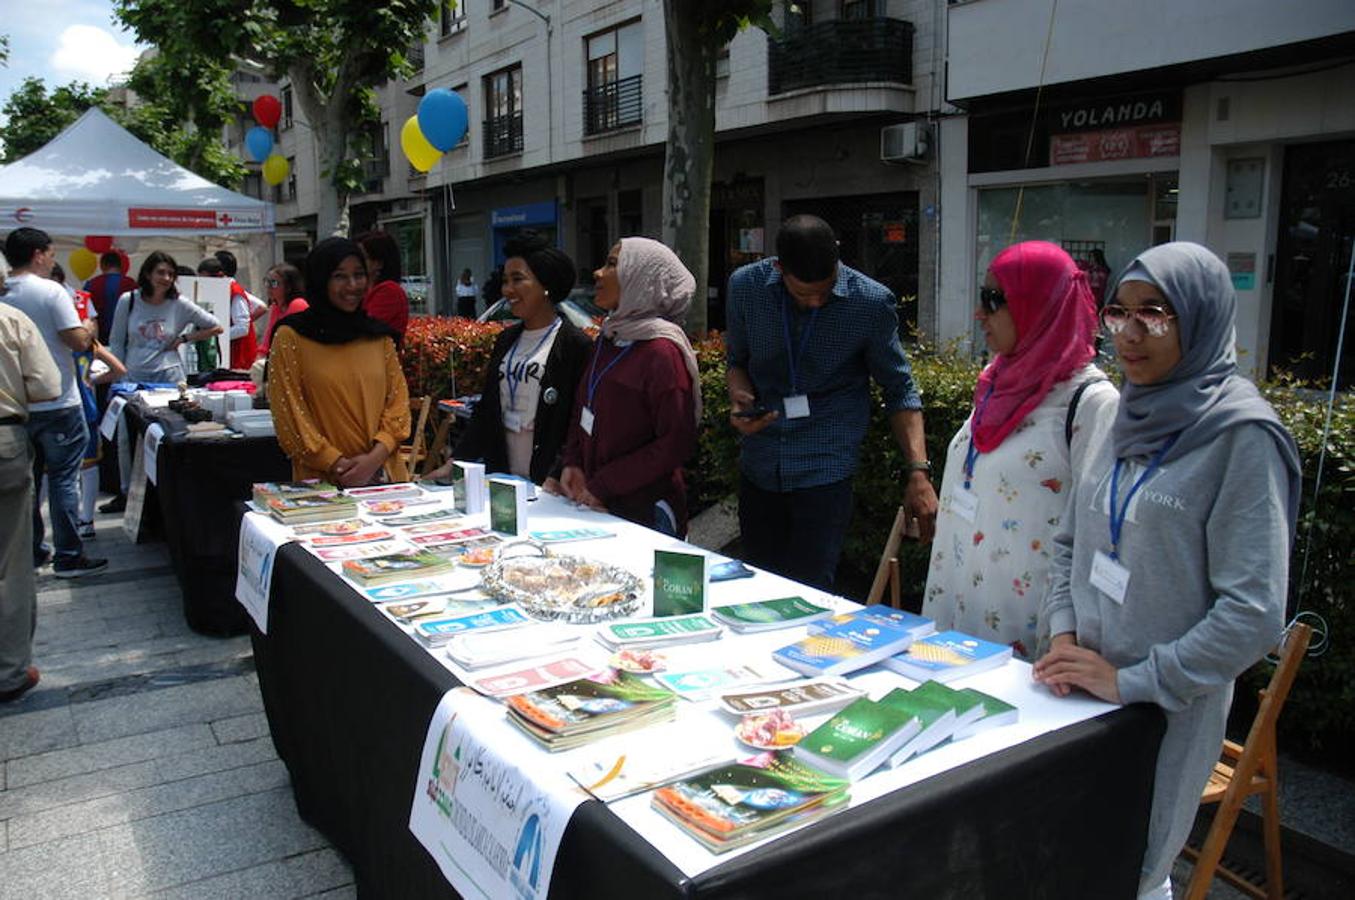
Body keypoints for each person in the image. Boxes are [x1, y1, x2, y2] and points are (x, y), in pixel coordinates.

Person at [1033, 242, 1301, 900]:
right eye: (1117, 312)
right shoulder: (1121, 412)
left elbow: (1251, 614)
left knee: (1130, 869)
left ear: (1200, 318)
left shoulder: (1241, 438)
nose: (1128, 333)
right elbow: (1069, 540)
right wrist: (1062, 633)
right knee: (1056, 860)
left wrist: (1132, 681)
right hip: (1075, 693)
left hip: (1161, 713)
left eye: (1154, 313)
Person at [921, 242, 1115, 659]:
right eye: (981, 296)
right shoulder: (998, 381)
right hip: (961, 609)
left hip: (1029, 632)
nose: (980, 314)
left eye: (994, 300)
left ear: (1039, 305)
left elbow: (1096, 532)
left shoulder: (1092, 403)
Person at [725, 214, 938, 590]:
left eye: (825, 290)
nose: (817, 301)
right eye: (804, 294)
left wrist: (918, 471)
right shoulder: (746, 287)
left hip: (825, 468)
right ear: (779, 268)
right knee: (756, 585)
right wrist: (739, 399)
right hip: (761, 462)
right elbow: (736, 363)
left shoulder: (870, 303)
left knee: (810, 590)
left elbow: (899, 388)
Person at [550, 238, 700, 536]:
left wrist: (604, 484)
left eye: (612, 264)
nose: (597, 272)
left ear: (642, 278)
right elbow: (582, 410)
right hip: (594, 502)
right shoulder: (608, 337)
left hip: (644, 512)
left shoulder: (662, 352)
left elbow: (674, 443)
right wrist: (573, 463)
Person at [427, 233, 590, 485]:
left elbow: (577, 423)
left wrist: (558, 473)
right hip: (502, 482)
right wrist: (455, 463)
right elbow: (486, 412)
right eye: (505, 281)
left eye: (518, 279)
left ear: (545, 285)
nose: (508, 290)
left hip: (548, 486)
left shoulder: (574, 345)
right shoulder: (506, 340)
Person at [1, 228, 106, 576]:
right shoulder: (51, 291)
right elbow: (77, 341)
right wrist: (89, 325)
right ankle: (68, 555)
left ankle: (33, 551)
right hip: (59, 400)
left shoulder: (3, 293)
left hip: (17, 403)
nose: (52, 259)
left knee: (28, 481)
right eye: (49, 253)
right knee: (64, 479)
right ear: (37, 254)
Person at [269, 237, 411, 484]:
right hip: (323, 486)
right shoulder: (291, 336)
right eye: (339, 276)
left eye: (359, 274)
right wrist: (335, 463)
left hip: (384, 479)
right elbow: (289, 413)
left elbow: (398, 403)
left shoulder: (378, 336)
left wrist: (372, 461)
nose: (352, 285)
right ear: (320, 279)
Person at [102, 251, 222, 514]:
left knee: (168, 437)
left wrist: (185, 339)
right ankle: (127, 494)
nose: (166, 278)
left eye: (170, 274)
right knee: (127, 439)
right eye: (160, 272)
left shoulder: (180, 304)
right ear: (147, 274)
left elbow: (215, 327)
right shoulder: (129, 301)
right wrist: (117, 378)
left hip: (169, 379)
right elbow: (116, 341)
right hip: (133, 379)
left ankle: (166, 495)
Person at [0, 299, 62, 701]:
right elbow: (47, 385)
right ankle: (9, 671)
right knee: (9, 562)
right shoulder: (9, 319)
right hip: (4, 438)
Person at [198, 256, 265, 369]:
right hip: (229, 352)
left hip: (240, 354)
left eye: (206, 280)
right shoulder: (224, 291)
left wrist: (213, 335)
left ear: (219, 276)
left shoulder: (234, 292)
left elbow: (242, 328)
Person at [355, 230, 409, 338]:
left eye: (361, 258)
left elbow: (360, 330)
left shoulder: (389, 291)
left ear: (378, 263)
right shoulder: (362, 289)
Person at [83, 251, 136, 344]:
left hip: (99, 340)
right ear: (120, 266)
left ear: (102, 265)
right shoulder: (131, 284)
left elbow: (85, 313)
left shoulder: (91, 284)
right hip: (126, 339)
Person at [256, 262, 308, 356]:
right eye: (267, 282)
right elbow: (268, 341)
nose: (268, 287)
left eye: (274, 283)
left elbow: (293, 342)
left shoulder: (298, 305)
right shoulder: (276, 307)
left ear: (288, 287)